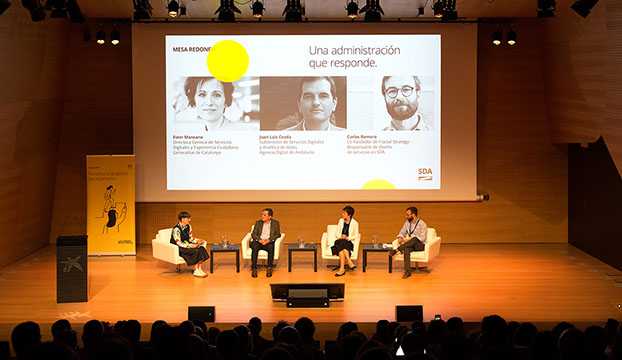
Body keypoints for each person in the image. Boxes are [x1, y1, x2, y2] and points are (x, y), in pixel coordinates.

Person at [389, 206, 428, 279]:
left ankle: (396, 250)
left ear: (413, 215)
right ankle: (407, 272)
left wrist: (409, 239)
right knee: (406, 249)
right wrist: (400, 237)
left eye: (408, 215)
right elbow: (402, 232)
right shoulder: (407, 223)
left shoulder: (422, 224)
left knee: (414, 239)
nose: (406, 216)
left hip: (420, 245)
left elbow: (423, 238)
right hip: (411, 245)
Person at [170, 211, 209, 278]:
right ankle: (196, 269)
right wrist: (190, 246)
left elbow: (190, 238)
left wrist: (197, 241)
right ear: (182, 219)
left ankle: (199, 268)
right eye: (188, 218)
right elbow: (178, 243)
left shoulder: (189, 226)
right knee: (196, 251)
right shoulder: (176, 229)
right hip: (178, 248)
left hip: (186, 244)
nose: (189, 220)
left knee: (201, 248)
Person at [250, 208, 281, 278]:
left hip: (268, 241)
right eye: (262, 215)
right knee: (255, 247)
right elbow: (253, 234)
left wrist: (269, 240)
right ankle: (254, 268)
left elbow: (278, 234)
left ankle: (269, 268)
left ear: (270, 217)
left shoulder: (276, 223)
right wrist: (259, 240)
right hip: (259, 241)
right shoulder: (258, 223)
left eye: (264, 215)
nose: (262, 216)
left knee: (271, 247)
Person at [331, 206, 359, 277]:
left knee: (342, 247)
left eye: (344, 213)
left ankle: (342, 269)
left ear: (349, 215)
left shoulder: (355, 223)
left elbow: (357, 235)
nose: (342, 214)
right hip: (339, 241)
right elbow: (337, 232)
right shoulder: (341, 221)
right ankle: (349, 262)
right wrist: (341, 237)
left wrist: (348, 238)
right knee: (342, 242)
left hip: (348, 242)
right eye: (343, 213)